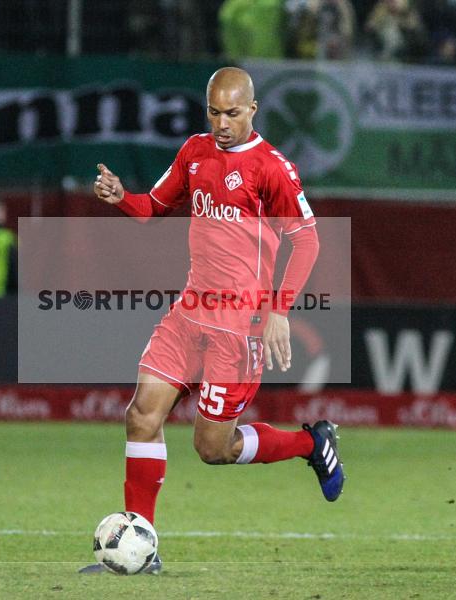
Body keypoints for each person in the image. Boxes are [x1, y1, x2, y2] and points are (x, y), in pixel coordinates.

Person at [80, 67, 345, 575]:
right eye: (213, 112)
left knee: (212, 448)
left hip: (238, 329)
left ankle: (312, 443)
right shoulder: (195, 152)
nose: (221, 124)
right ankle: (143, 548)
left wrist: (279, 310)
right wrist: (121, 198)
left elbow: (307, 240)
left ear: (252, 110)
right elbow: (153, 207)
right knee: (141, 415)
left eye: (232, 113)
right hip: (189, 314)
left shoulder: (272, 169)